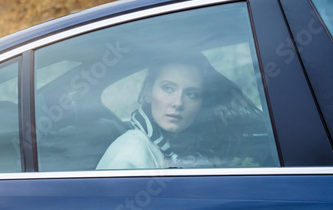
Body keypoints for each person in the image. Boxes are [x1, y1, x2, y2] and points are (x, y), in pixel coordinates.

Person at [97, 52, 266, 169]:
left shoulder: (189, 147)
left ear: (201, 103)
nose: (178, 103)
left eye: (191, 94)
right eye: (168, 88)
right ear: (148, 93)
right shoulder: (129, 157)